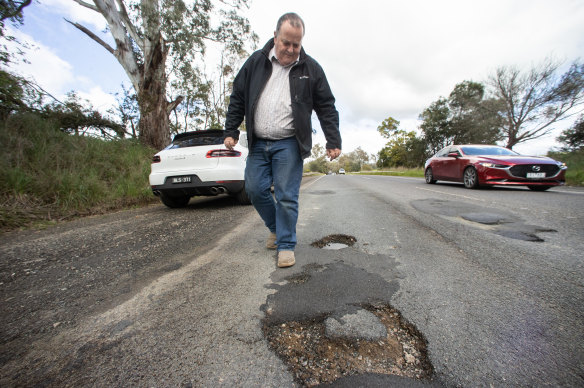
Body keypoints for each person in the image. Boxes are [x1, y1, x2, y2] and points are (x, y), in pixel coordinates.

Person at [224, 12, 341, 268]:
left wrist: (333, 139)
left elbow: (326, 105)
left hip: (289, 142)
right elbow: (238, 97)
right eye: (286, 42)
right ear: (275, 36)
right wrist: (230, 129)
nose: (290, 49)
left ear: (301, 42)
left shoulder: (311, 69)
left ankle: (286, 245)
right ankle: (277, 228)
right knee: (254, 189)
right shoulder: (256, 62)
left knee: (287, 196)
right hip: (258, 141)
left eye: (296, 44)